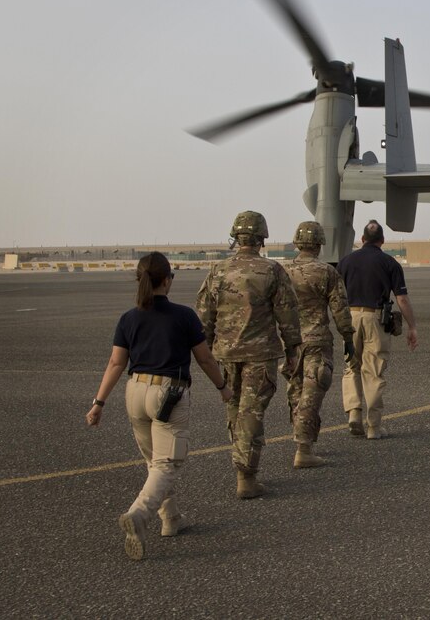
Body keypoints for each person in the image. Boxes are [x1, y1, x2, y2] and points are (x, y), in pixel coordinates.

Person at [86, 252, 233, 561]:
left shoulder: (128, 318)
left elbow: (116, 362)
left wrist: (99, 402)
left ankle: (171, 518)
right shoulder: (184, 316)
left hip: (135, 391)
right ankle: (138, 515)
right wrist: (223, 387)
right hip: (169, 394)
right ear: (167, 280)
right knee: (167, 462)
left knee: (154, 462)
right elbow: (204, 357)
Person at [196, 211, 302, 499]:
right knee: (251, 411)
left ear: (236, 237)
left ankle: (243, 469)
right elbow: (288, 314)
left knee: (235, 409)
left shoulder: (217, 271)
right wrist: (293, 351)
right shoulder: (271, 271)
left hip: (225, 355)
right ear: (261, 239)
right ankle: (246, 476)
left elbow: (204, 315)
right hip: (260, 353)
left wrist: (203, 349)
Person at [283, 221, 356, 468]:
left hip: (290, 343)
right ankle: (304, 449)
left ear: (297, 243)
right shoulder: (326, 272)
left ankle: (303, 440)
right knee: (311, 394)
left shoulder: (282, 272)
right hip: (317, 341)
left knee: (296, 391)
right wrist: (348, 338)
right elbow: (340, 310)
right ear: (319, 244)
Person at [336, 220, 418, 439]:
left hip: (350, 316)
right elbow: (401, 298)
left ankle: (354, 412)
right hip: (375, 317)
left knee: (351, 366)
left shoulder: (344, 262)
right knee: (373, 371)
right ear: (382, 241)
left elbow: (336, 296)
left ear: (362, 239)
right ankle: (373, 426)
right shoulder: (390, 263)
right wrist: (412, 327)